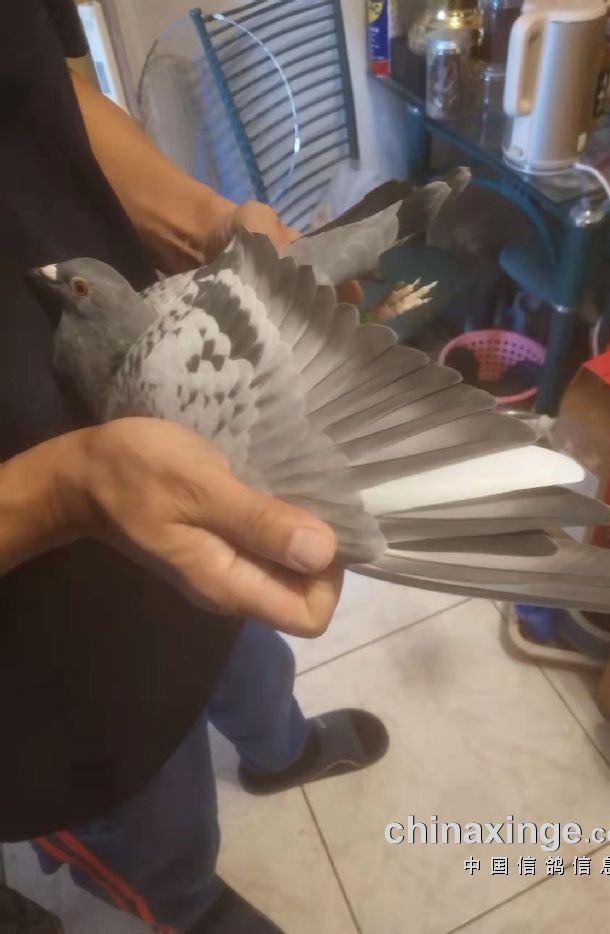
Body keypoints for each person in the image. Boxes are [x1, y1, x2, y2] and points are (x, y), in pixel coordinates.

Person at [1, 2, 387, 931]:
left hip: (162, 451)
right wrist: (62, 493)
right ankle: (186, 909)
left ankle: (279, 749)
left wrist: (208, 224)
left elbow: (42, 85)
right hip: (33, 622)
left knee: (239, 647)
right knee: (151, 811)